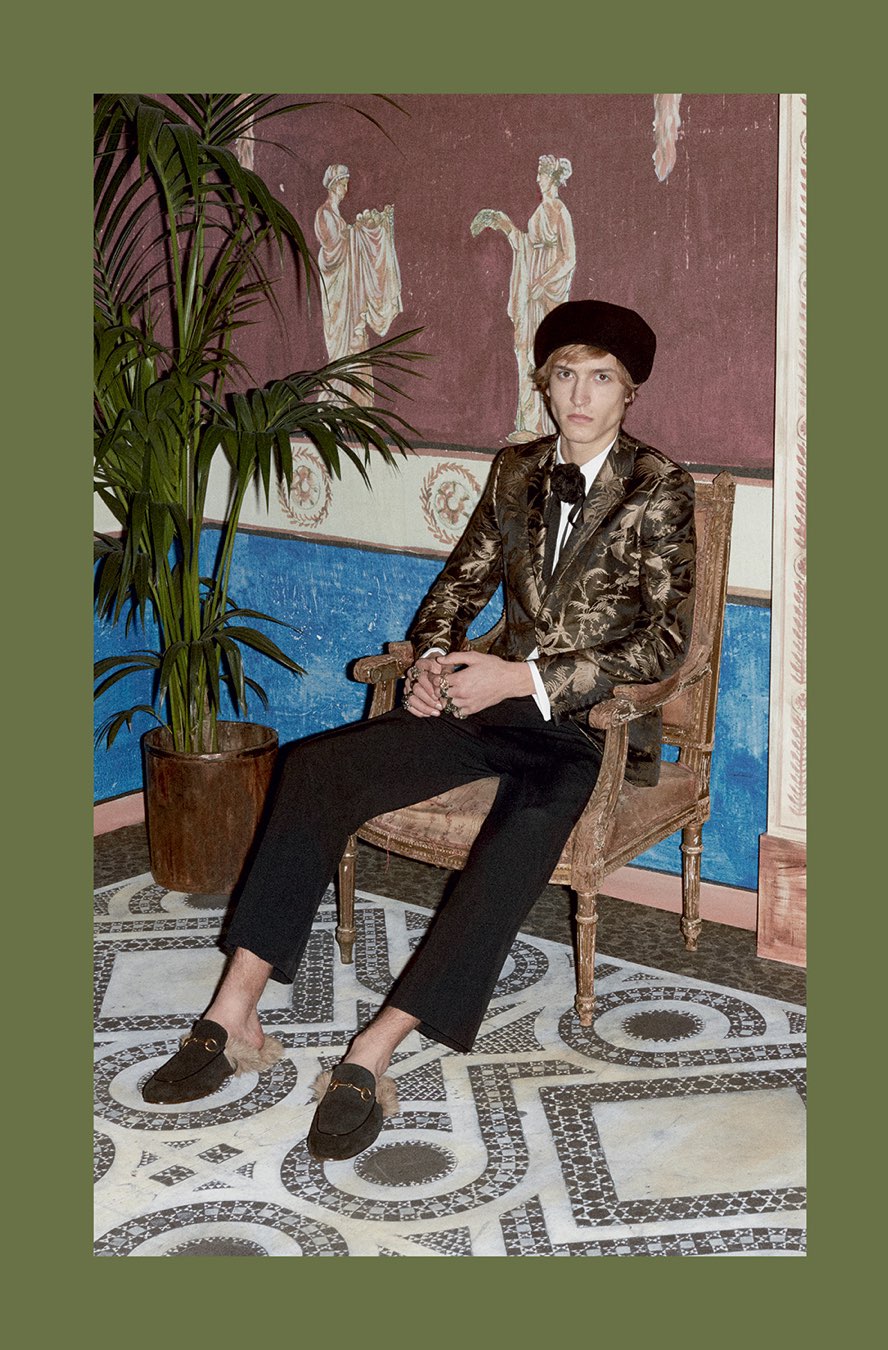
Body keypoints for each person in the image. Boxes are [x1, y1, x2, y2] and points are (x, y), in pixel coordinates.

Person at [143, 299, 696, 1164]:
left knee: (520, 839)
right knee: (315, 769)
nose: (580, 396)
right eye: (565, 376)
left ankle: (375, 1049)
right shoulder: (516, 469)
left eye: (601, 379)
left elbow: (665, 642)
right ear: (545, 384)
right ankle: (234, 1011)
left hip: (588, 726)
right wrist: (433, 660)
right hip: (488, 701)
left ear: (630, 393)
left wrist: (527, 678)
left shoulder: (660, 486)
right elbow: (459, 584)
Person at [471, 154, 576, 440]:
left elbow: (569, 257)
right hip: (532, 294)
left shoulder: (559, 211)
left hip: (547, 295)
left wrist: (543, 282)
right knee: (525, 352)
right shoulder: (541, 210)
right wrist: (504, 224)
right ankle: (530, 424)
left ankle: (547, 427)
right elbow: (527, 246)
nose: (537, 179)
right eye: (538, 173)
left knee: (546, 357)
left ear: (552, 178)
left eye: (541, 174)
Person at [314, 163, 402, 404]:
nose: (345, 189)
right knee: (343, 346)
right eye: (342, 184)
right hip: (337, 291)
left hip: (348, 289)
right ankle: (337, 399)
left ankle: (357, 403)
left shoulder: (337, 216)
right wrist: (360, 231)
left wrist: (369, 228)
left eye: (346, 184)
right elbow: (334, 250)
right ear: (333, 185)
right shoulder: (324, 214)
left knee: (357, 341)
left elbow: (346, 241)